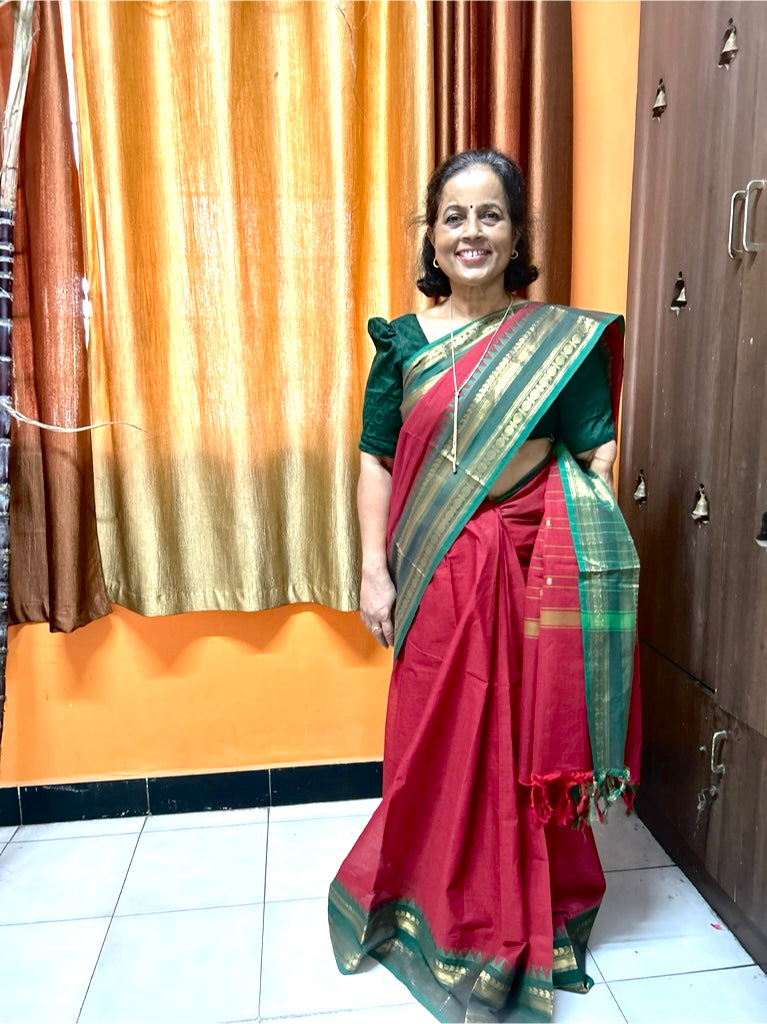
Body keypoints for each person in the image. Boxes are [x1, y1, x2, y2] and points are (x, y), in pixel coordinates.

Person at [328, 149, 640, 1024]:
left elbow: (595, 454)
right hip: (438, 566)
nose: (471, 232)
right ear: (432, 235)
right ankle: (430, 903)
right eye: (454, 216)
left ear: (516, 235)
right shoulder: (402, 344)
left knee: (526, 743)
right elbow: (375, 460)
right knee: (434, 738)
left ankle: (527, 908)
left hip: (535, 568)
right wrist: (372, 570)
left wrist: (584, 555)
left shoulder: (557, 344)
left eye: (490, 215)